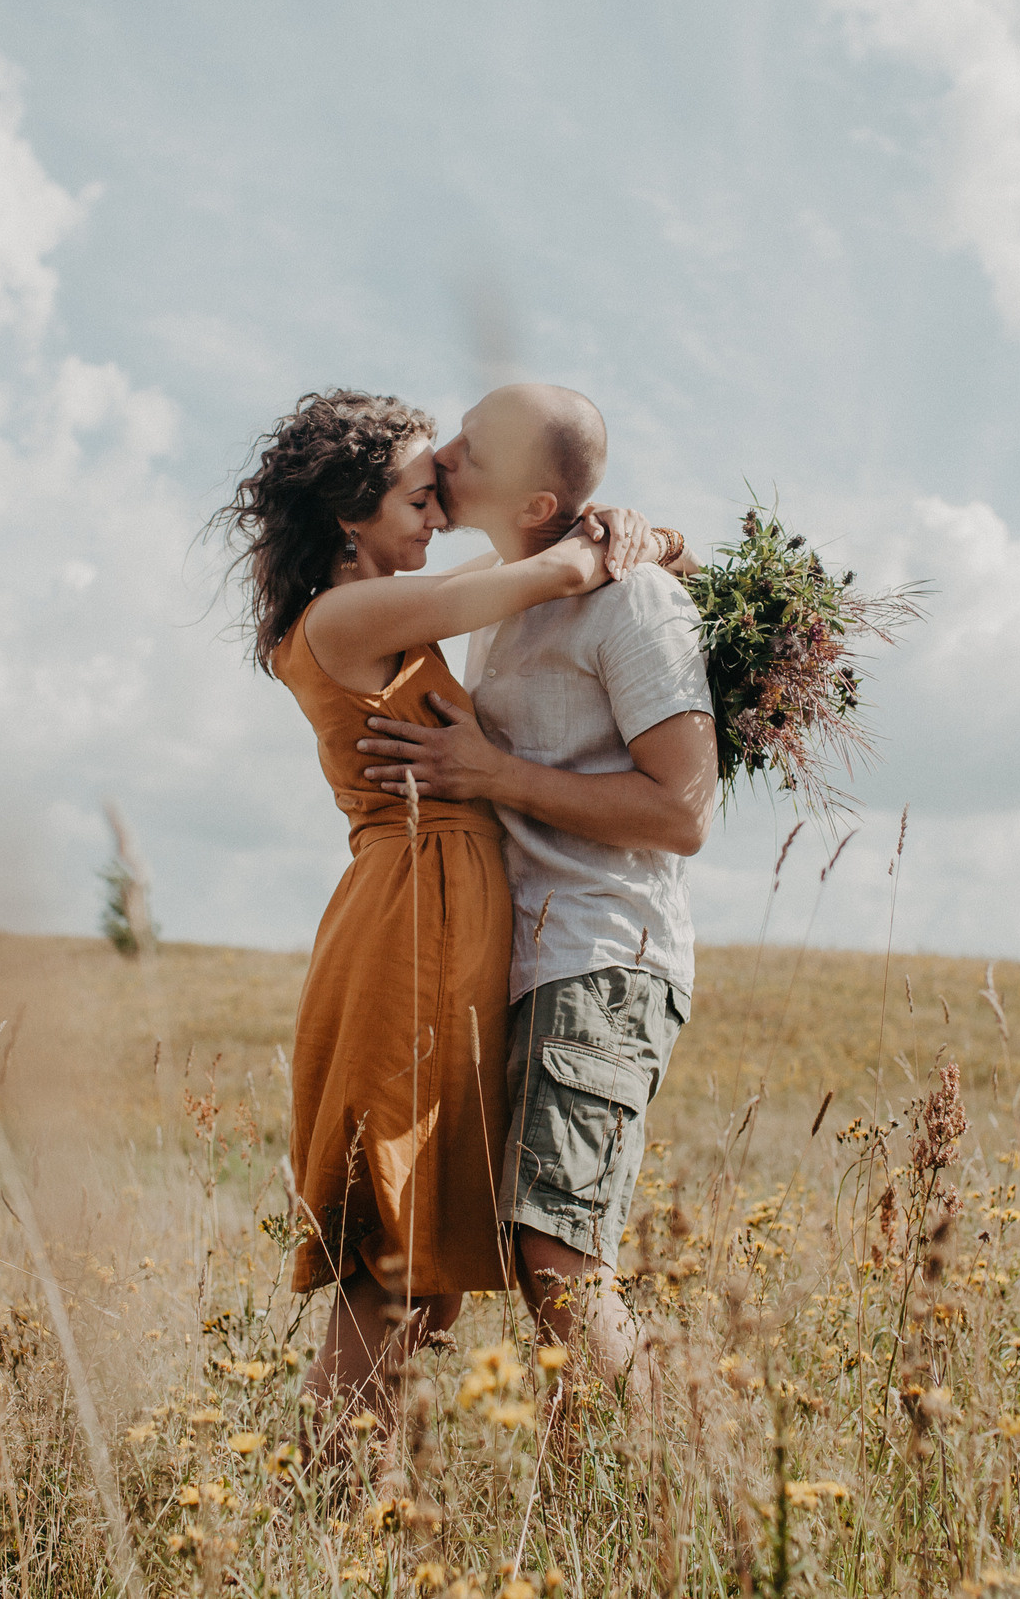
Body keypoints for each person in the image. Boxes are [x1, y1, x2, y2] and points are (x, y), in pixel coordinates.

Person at [210, 387, 670, 1437]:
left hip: (435, 910)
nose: (436, 512)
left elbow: (528, 569)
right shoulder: (348, 613)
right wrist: (616, 538)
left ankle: (351, 1518)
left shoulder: (367, 606)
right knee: (392, 1253)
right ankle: (334, 1520)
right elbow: (548, 572)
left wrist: (643, 538)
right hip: (409, 919)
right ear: (348, 516)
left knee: (420, 1267)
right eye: (419, 497)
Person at [355, 383, 714, 1400]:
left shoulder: (633, 599)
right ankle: (584, 1528)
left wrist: (489, 775)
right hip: (519, 962)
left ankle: (634, 1516)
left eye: (475, 446)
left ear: (532, 504)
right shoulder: (509, 597)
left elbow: (681, 813)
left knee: (559, 1258)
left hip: (603, 953)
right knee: (528, 1257)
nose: (445, 452)